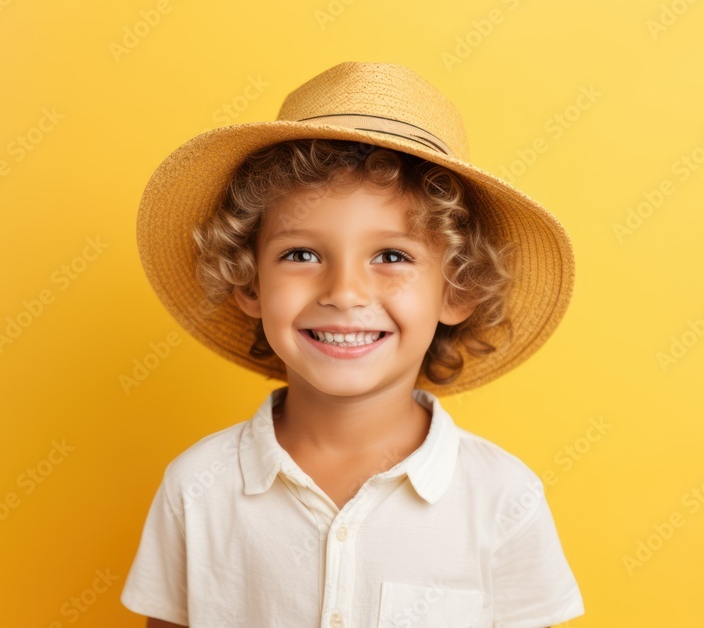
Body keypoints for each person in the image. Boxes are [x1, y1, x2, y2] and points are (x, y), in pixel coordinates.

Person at [121, 61, 585, 627]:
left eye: (392, 256)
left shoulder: (503, 500)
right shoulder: (198, 488)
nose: (344, 292)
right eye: (301, 254)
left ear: (458, 288)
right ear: (249, 281)